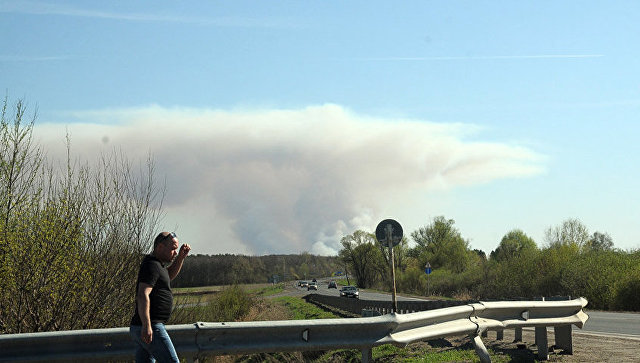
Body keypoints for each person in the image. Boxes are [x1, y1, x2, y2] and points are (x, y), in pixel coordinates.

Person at [129, 232, 191, 362]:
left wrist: (180, 258)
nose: (174, 252)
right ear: (160, 247)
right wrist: (147, 325)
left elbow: (168, 276)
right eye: (173, 249)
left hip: (142, 326)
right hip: (151, 326)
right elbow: (143, 294)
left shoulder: (157, 265)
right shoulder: (151, 265)